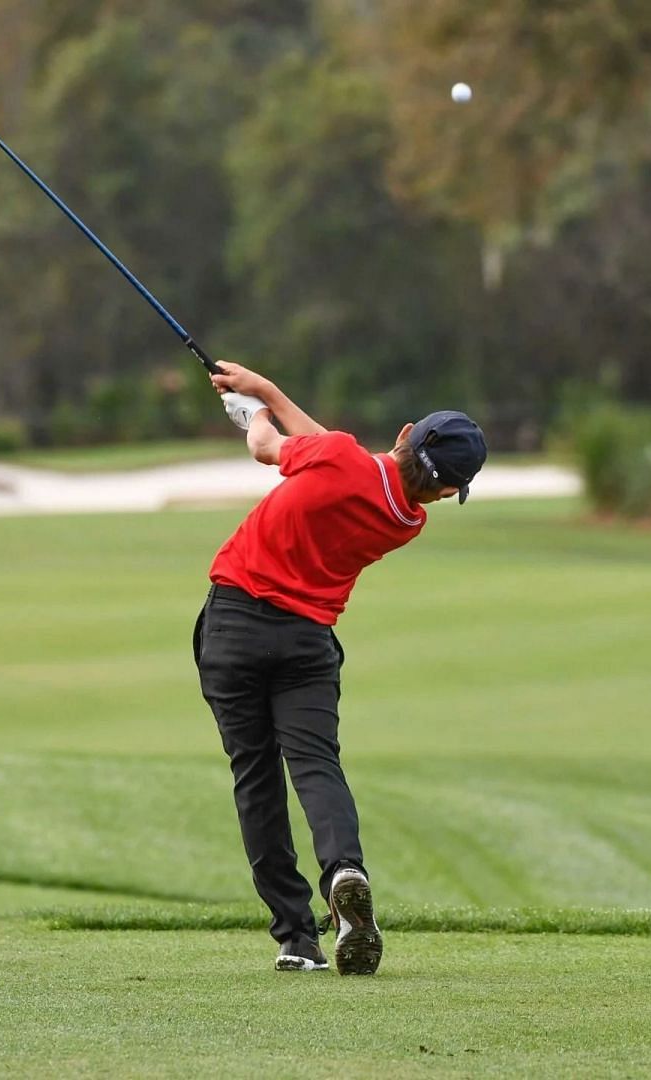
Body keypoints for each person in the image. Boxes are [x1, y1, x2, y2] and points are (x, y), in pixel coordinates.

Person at [198, 362, 486, 975]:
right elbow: (335, 456)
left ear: (405, 433)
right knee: (314, 764)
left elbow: (269, 448)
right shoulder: (407, 520)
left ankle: (296, 938)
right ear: (442, 493)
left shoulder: (339, 456)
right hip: (306, 644)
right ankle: (344, 870)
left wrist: (254, 412)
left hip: (234, 627)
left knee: (256, 776)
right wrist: (266, 392)